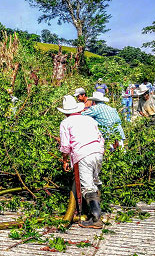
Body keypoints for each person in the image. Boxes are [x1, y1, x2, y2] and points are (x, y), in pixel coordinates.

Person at [57, 95, 105, 229]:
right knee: (95, 181)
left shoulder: (65, 123)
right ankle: (93, 213)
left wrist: (65, 161)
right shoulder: (89, 120)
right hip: (98, 152)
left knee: (87, 187)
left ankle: (96, 217)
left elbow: (65, 146)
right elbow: (100, 137)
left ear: (66, 112)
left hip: (83, 155)